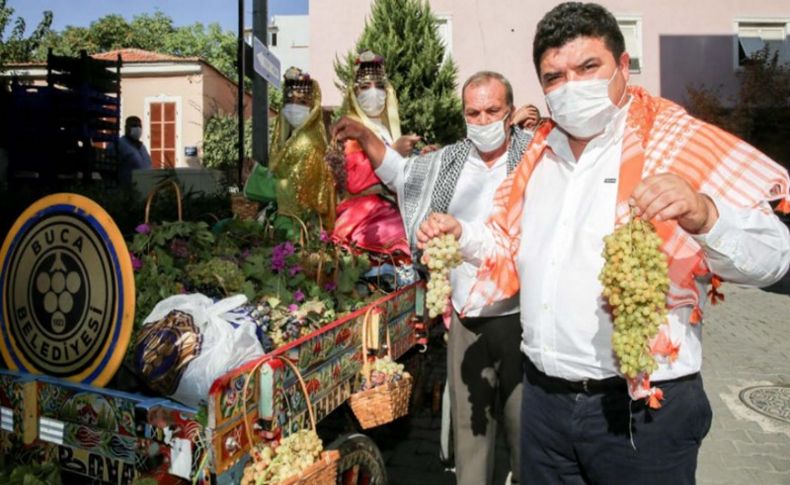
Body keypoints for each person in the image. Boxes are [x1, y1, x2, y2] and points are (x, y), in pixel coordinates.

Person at [417, 3, 790, 484]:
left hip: (641, 413)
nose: (571, 85)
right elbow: (508, 247)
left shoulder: (676, 143)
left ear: (623, 64)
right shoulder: (536, 157)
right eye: (554, 76)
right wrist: (461, 235)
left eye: (588, 67)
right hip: (543, 406)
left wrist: (706, 215)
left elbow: (775, 257)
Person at [334, 71, 535, 485]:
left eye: (492, 111)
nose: (482, 121)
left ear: (510, 112)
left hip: (523, 318)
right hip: (465, 317)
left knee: (526, 434)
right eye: (473, 113)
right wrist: (361, 132)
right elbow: (398, 173)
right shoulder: (450, 161)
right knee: (471, 436)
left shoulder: (537, 158)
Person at [330, 50, 418, 258]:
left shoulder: (387, 129)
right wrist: (393, 153)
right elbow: (354, 182)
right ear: (354, 93)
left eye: (379, 87)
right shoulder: (351, 130)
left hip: (392, 206)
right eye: (365, 87)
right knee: (404, 238)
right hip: (363, 213)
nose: (373, 92)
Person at [244, 67, 335, 227]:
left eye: (302, 102)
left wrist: (253, 180)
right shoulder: (293, 139)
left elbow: (295, 188)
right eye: (289, 101)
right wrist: (257, 170)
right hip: (285, 214)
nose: (294, 107)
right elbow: (287, 176)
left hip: (298, 223)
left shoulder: (308, 143)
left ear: (313, 107)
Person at [116, 115, 152, 185]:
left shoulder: (142, 147)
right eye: (134, 125)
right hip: (128, 188)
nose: (137, 128)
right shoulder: (119, 144)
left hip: (145, 186)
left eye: (139, 126)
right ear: (126, 128)